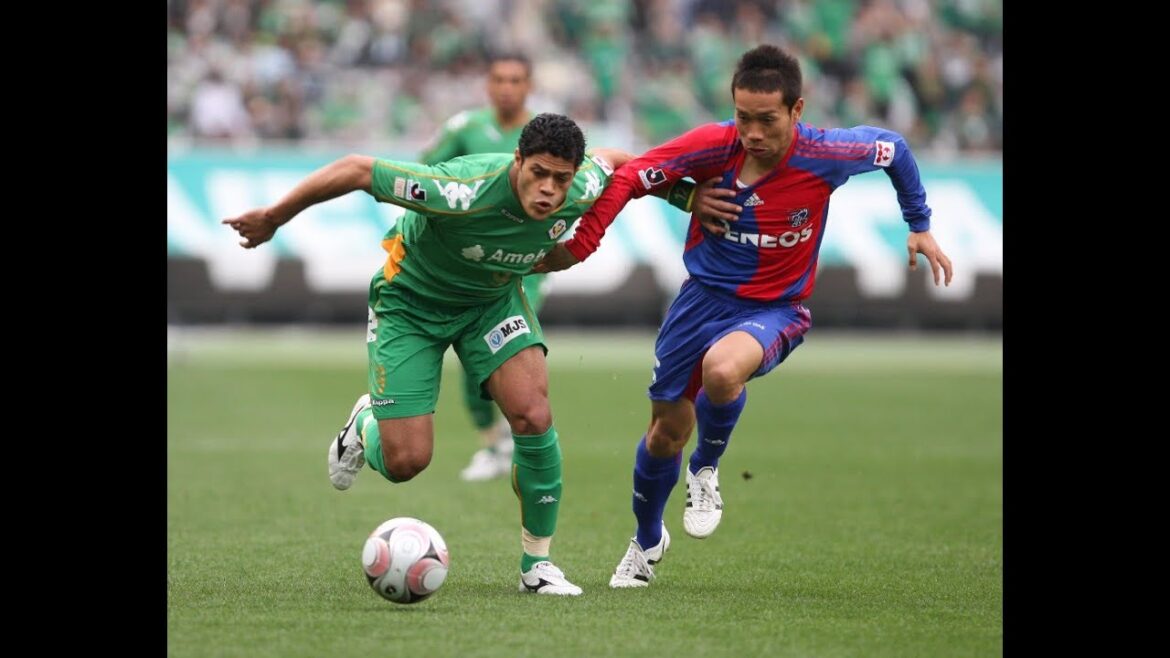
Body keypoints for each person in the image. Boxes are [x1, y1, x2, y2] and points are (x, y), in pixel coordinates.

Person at [222, 113, 705, 596]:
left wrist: (686, 197)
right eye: (538, 173)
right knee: (406, 461)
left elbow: (621, 163)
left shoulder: (581, 184)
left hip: (490, 304)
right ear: (518, 161)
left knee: (534, 415)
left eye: (561, 179)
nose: (549, 191)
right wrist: (275, 216)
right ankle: (365, 423)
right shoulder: (460, 190)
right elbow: (356, 169)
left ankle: (537, 565)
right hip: (410, 304)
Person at [532, 45, 954, 589]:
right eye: (743, 117)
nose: (752, 132)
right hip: (699, 301)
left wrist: (918, 221)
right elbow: (634, 173)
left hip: (777, 309)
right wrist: (601, 235)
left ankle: (705, 469)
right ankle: (645, 540)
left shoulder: (828, 154)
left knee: (723, 371)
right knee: (664, 433)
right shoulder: (712, 145)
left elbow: (894, 148)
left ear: (797, 111)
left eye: (767, 119)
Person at [418, 52, 539, 482]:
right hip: (470, 264)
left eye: (516, 79)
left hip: (526, 265)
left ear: (529, 85)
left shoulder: (542, 133)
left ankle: (519, 436)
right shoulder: (466, 129)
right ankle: (493, 441)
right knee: (474, 360)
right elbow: (425, 174)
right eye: (499, 79)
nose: (507, 87)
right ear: (488, 85)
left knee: (509, 348)